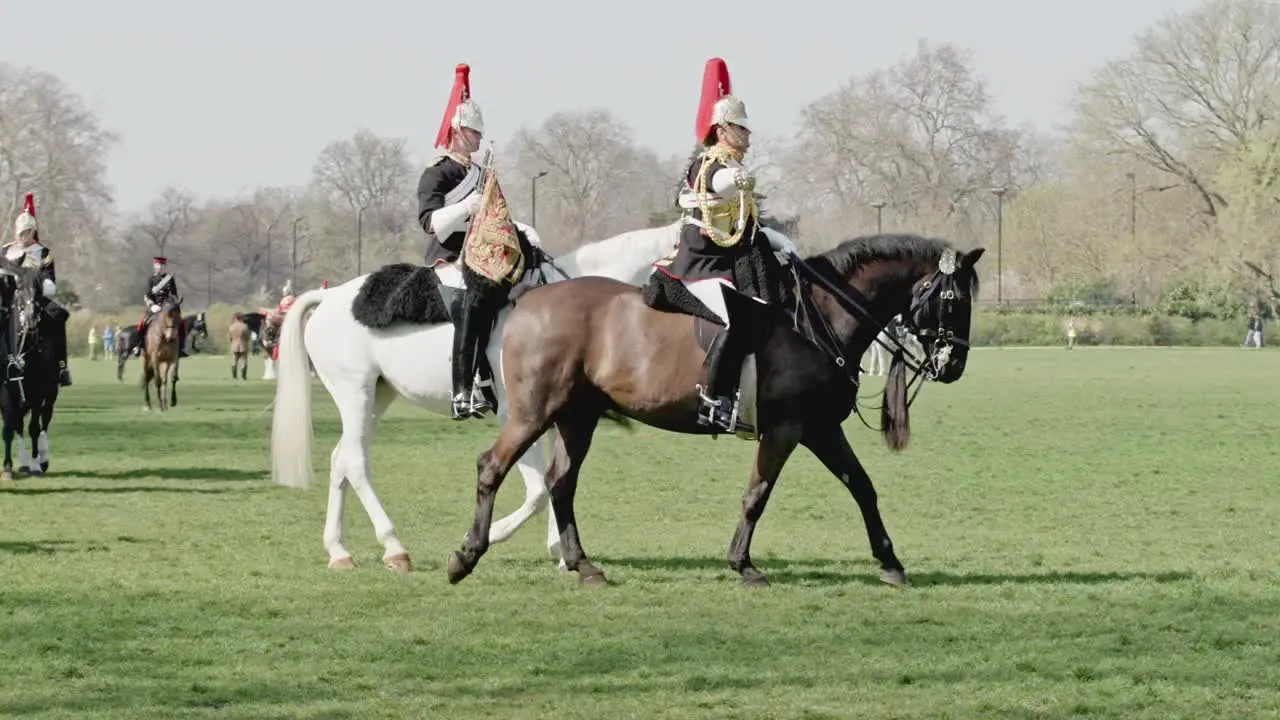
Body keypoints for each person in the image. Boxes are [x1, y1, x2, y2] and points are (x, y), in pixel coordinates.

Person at [651, 57, 800, 431]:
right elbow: (719, 184)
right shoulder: (707, 165)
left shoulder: (731, 166)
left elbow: (743, 221)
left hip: (727, 263)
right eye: (740, 129)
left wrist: (777, 239)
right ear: (721, 130)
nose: (748, 136)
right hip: (697, 267)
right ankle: (714, 398)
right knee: (737, 317)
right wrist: (736, 178)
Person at [416, 63, 543, 420]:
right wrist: (467, 205)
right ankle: (461, 389)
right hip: (450, 258)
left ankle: (492, 380)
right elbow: (431, 224)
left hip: (485, 257)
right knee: (470, 307)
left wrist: (521, 228)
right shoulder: (437, 172)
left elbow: (495, 217)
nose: (478, 138)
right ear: (457, 131)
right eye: (473, 131)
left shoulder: (481, 173)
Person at [3, 192, 73, 386]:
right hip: (9, 299)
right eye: (20, 232)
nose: (23, 236)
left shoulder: (43, 253)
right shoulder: (5, 251)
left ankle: (61, 366)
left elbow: (50, 278)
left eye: (27, 232)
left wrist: (46, 284)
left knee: (58, 316)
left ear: (33, 232)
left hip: (36, 298)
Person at [130, 256, 188, 359]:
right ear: (154, 266)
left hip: (167, 308)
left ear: (164, 267)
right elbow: (147, 295)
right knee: (141, 324)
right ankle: (139, 345)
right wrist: (152, 305)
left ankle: (181, 348)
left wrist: (172, 302)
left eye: (161, 265)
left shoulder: (169, 279)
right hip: (155, 307)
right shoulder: (151, 279)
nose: (159, 267)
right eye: (157, 265)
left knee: (182, 324)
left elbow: (174, 294)